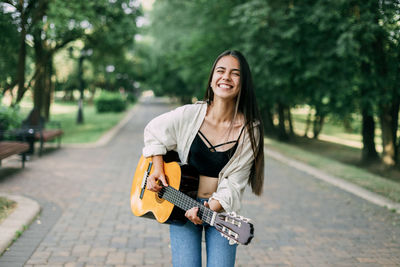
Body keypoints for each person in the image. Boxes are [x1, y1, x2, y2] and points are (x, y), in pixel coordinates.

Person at [142, 50, 264, 267]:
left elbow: (235, 183)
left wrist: (209, 208)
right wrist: (157, 169)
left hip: (221, 210)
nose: (226, 77)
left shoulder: (250, 131)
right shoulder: (189, 115)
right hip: (180, 204)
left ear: (243, 84)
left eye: (235, 73)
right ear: (211, 80)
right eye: (220, 71)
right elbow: (154, 131)